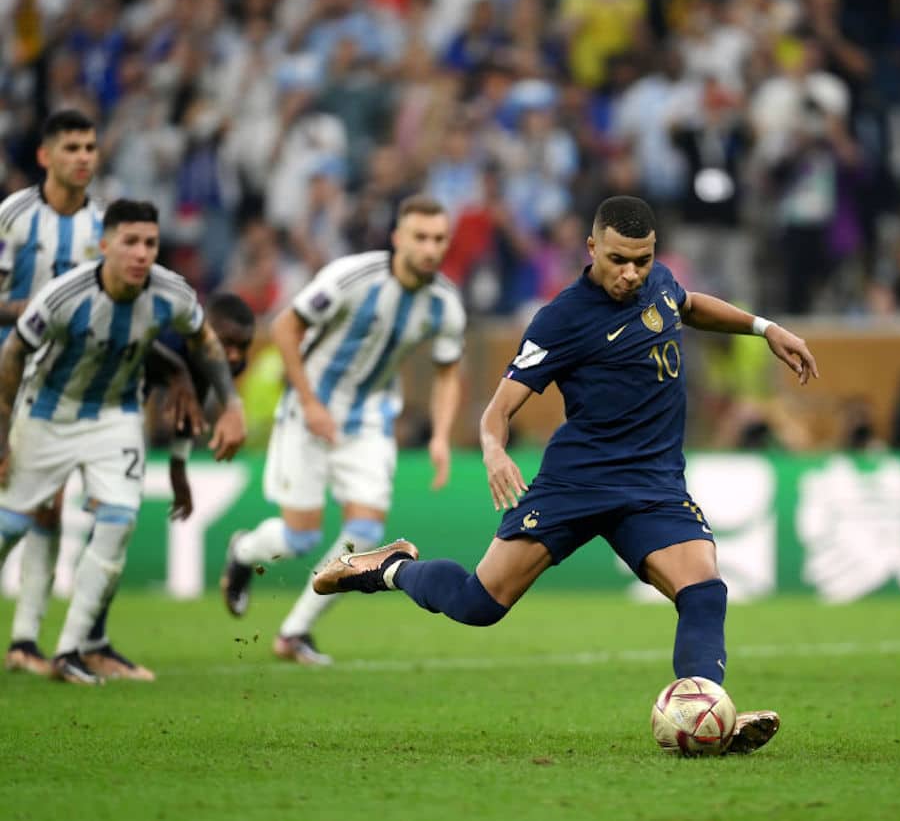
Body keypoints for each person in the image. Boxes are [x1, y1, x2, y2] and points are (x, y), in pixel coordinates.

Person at [313, 196, 819, 753]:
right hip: (575, 483)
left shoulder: (659, 282)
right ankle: (392, 567)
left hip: (651, 485)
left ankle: (704, 714)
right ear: (592, 249)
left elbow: (688, 304)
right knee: (478, 605)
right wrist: (493, 449)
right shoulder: (562, 319)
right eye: (619, 260)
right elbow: (498, 409)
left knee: (703, 591)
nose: (631, 273)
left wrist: (763, 327)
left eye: (643, 261)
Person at [0, 198, 246, 684]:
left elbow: (204, 341)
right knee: (9, 527)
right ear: (105, 244)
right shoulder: (64, 295)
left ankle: (71, 650)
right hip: (47, 412)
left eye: (150, 243)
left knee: (119, 519)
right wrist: (2, 434)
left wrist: (232, 405)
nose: (140, 253)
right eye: (130, 242)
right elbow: (12, 354)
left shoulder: (171, 293)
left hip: (116, 414)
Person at [219, 195, 465, 666]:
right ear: (397, 238)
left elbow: (448, 371)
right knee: (299, 539)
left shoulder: (445, 303)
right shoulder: (352, 277)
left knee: (365, 534)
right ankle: (243, 551)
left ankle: (294, 631)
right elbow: (285, 326)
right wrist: (309, 401)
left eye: (439, 239)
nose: (430, 248)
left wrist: (439, 436)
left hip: (370, 419)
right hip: (309, 410)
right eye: (420, 237)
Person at [70, 292, 256, 681]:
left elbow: (195, 398)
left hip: (115, 415)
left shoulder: (222, 362)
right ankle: (80, 643)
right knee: (69, 519)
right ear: (202, 330)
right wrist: (177, 371)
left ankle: (80, 641)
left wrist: (177, 467)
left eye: (244, 346)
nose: (235, 356)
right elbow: (131, 338)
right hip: (75, 404)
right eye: (228, 344)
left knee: (113, 523)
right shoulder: (170, 329)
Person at [0, 109, 105, 676]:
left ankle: (23, 641)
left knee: (45, 509)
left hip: (67, 387)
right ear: (45, 156)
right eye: (71, 147)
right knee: (20, 509)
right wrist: (38, 312)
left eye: (90, 147)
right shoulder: (13, 219)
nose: (83, 157)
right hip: (6, 376)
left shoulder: (105, 229)